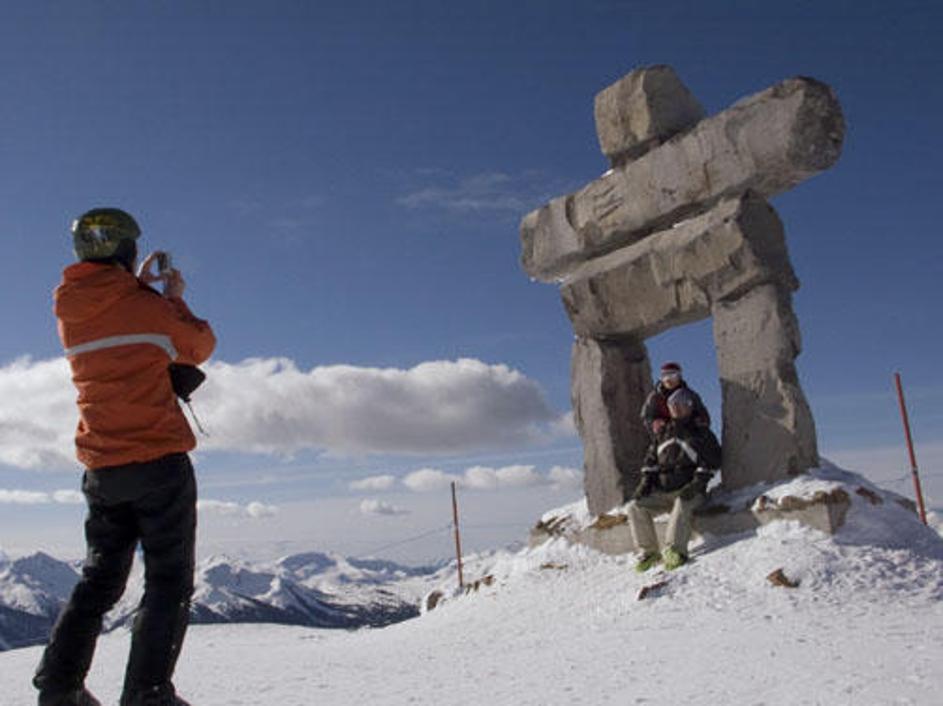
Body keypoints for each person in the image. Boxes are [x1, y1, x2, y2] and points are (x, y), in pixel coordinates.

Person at [33, 208, 215, 706]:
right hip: (158, 459)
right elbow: (198, 346)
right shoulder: (149, 308)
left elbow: (117, 320)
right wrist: (173, 298)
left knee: (100, 579)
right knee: (168, 580)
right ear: (129, 250)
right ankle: (147, 694)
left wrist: (136, 288)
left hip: (101, 464)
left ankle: (58, 686)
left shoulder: (70, 307)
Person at [627, 388, 722, 572]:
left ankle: (675, 550)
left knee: (682, 501)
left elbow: (712, 462)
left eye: (681, 404)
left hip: (690, 490)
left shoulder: (700, 432)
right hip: (664, 491)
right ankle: (649, 552)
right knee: (635, 507)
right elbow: (650, 462)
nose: (676, 408)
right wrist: (645, 484)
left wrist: (695, 485)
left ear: (689, 406)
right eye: (672, 405)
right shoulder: (663, 433)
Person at [640, 361, 710, 437]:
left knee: (708, 439)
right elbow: (646, 416)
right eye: (665, 376)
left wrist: (699, 421)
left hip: (690, 432)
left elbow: (702, 413)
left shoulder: (690, 395)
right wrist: (654, 423)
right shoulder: (655, 397)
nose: (668, 380)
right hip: (665, 433)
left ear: (679, 376)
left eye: (672, 375)